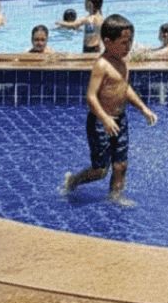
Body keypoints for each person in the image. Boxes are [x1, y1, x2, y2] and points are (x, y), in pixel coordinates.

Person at [60, 14, 157, 206]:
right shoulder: (102, 65)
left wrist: (144, 109)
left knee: (121, 164)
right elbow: (91, 96)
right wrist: (105, 119)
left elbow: (125, 89)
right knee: (100, 170)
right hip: (100, 122)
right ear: (107, 42)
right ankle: (73, 180)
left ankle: (115, 197)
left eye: (130, 41)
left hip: (120, 120)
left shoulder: (122, 63)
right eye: (123, 42)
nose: (128, 46)